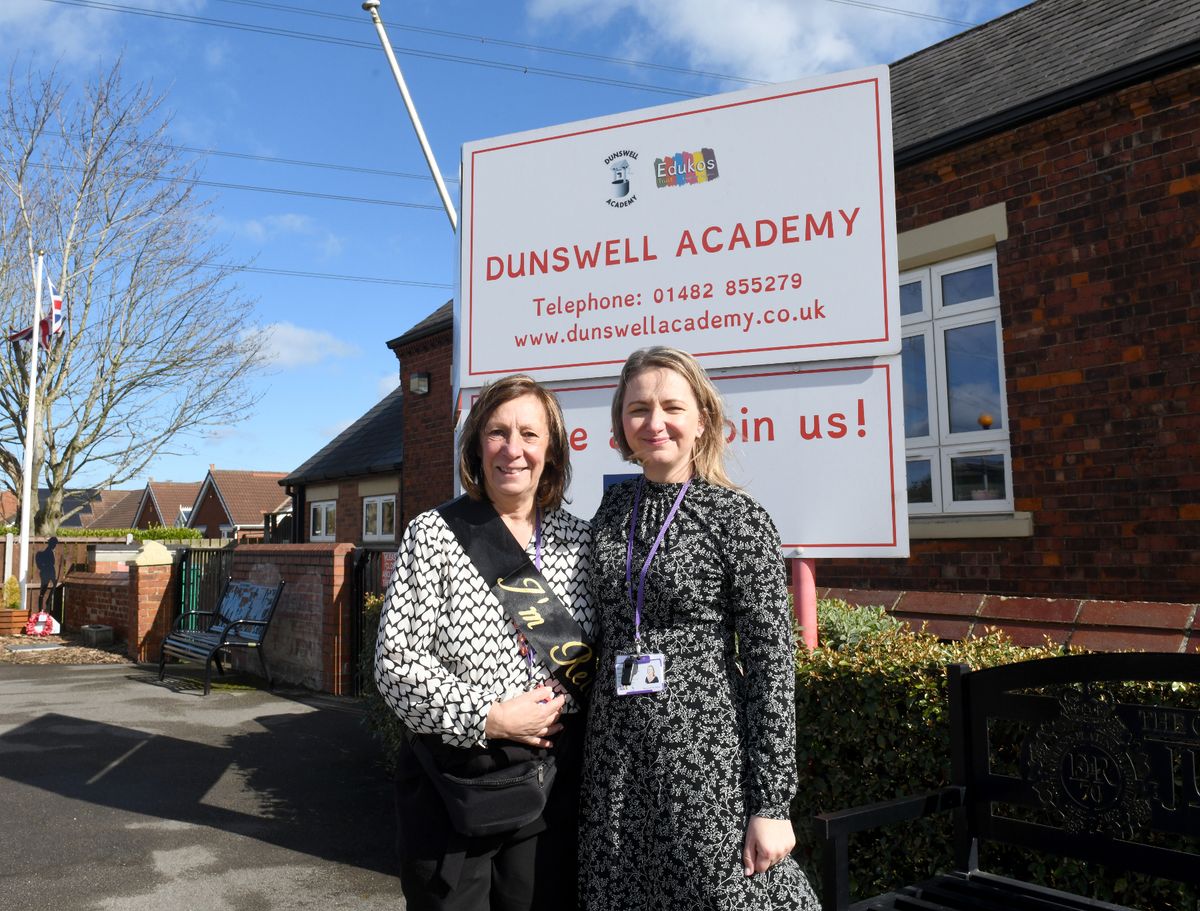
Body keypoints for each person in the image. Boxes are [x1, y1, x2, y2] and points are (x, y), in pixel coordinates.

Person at [579, 346, 820, 910]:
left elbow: (771, 667)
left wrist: (772, 805)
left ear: (702, 419)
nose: (654, 422)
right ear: (621, 423)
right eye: (638, 408)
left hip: (704, 759)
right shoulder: (611, 514)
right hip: (616, 760)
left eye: (671, 407)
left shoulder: (737, 519)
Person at [375, 374, 594, 911]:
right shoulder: (434, 533)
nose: (512, 449)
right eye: (497, 432)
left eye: (529, 434)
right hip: (453, 786)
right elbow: (395, 665)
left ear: (553, 450)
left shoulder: (581, 542)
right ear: (476, 444)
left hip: (547, 787)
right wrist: (489, 718)